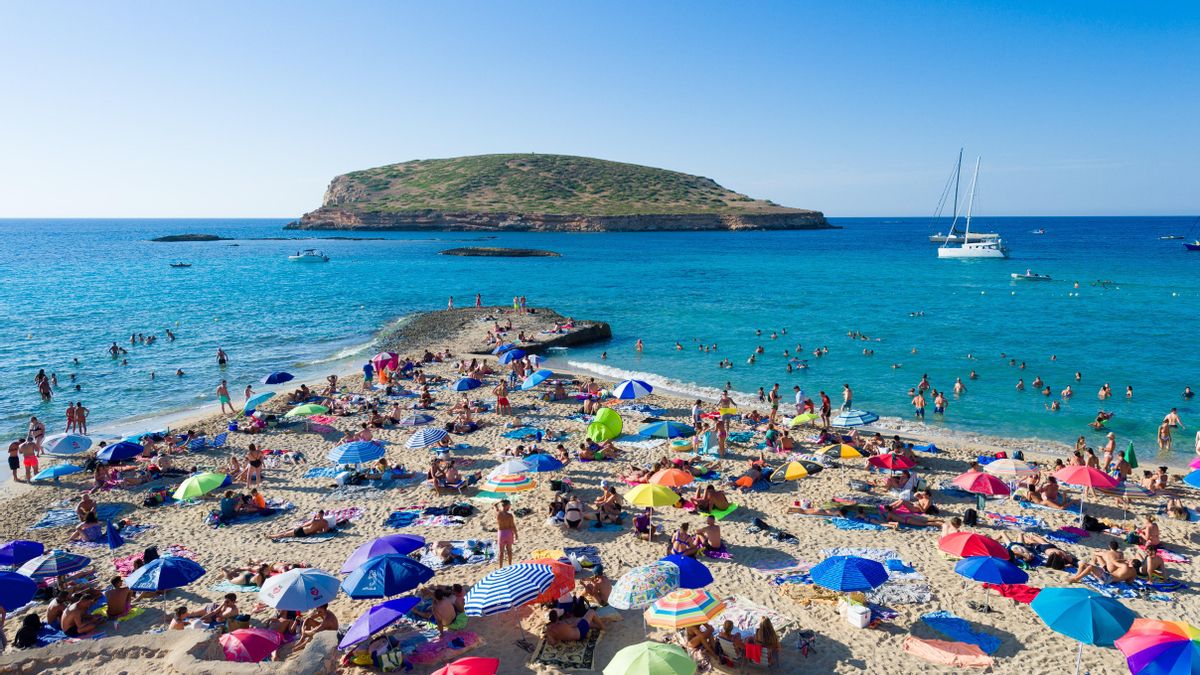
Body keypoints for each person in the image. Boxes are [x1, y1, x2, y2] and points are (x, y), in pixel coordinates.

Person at [495, 499, 517, 567]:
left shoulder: (498, 513)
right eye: (509, 505)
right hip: (509, 533)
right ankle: (510, 565)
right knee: (509, 550)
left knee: (501, 552)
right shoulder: (510, 515)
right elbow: (513, 526)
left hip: (501, 534)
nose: (510, 507)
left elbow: (495, 506)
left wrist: (499, 502)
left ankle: (500, 567)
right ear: (507, 506)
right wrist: (516, 534)